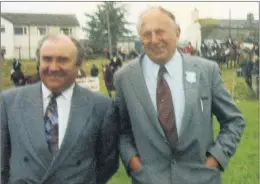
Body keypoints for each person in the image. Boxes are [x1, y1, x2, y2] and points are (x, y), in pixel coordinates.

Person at [114, 7, 245, 184]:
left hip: (202, 178)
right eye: (146, 34)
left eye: (160, 32)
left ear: (177, 33)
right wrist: (133, 162)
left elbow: (233, 120)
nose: (154, 40)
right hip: (148, 179)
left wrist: (216, 159)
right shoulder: (125, 77)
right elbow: (121, 130)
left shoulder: (206, 71)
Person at [1, 34, 119, 184]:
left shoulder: (102, 106)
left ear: (78, 64)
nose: (54, 67)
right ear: (39, 62)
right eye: (47, 59)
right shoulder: (9, 102)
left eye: (62, 60)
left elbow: (107, 163)